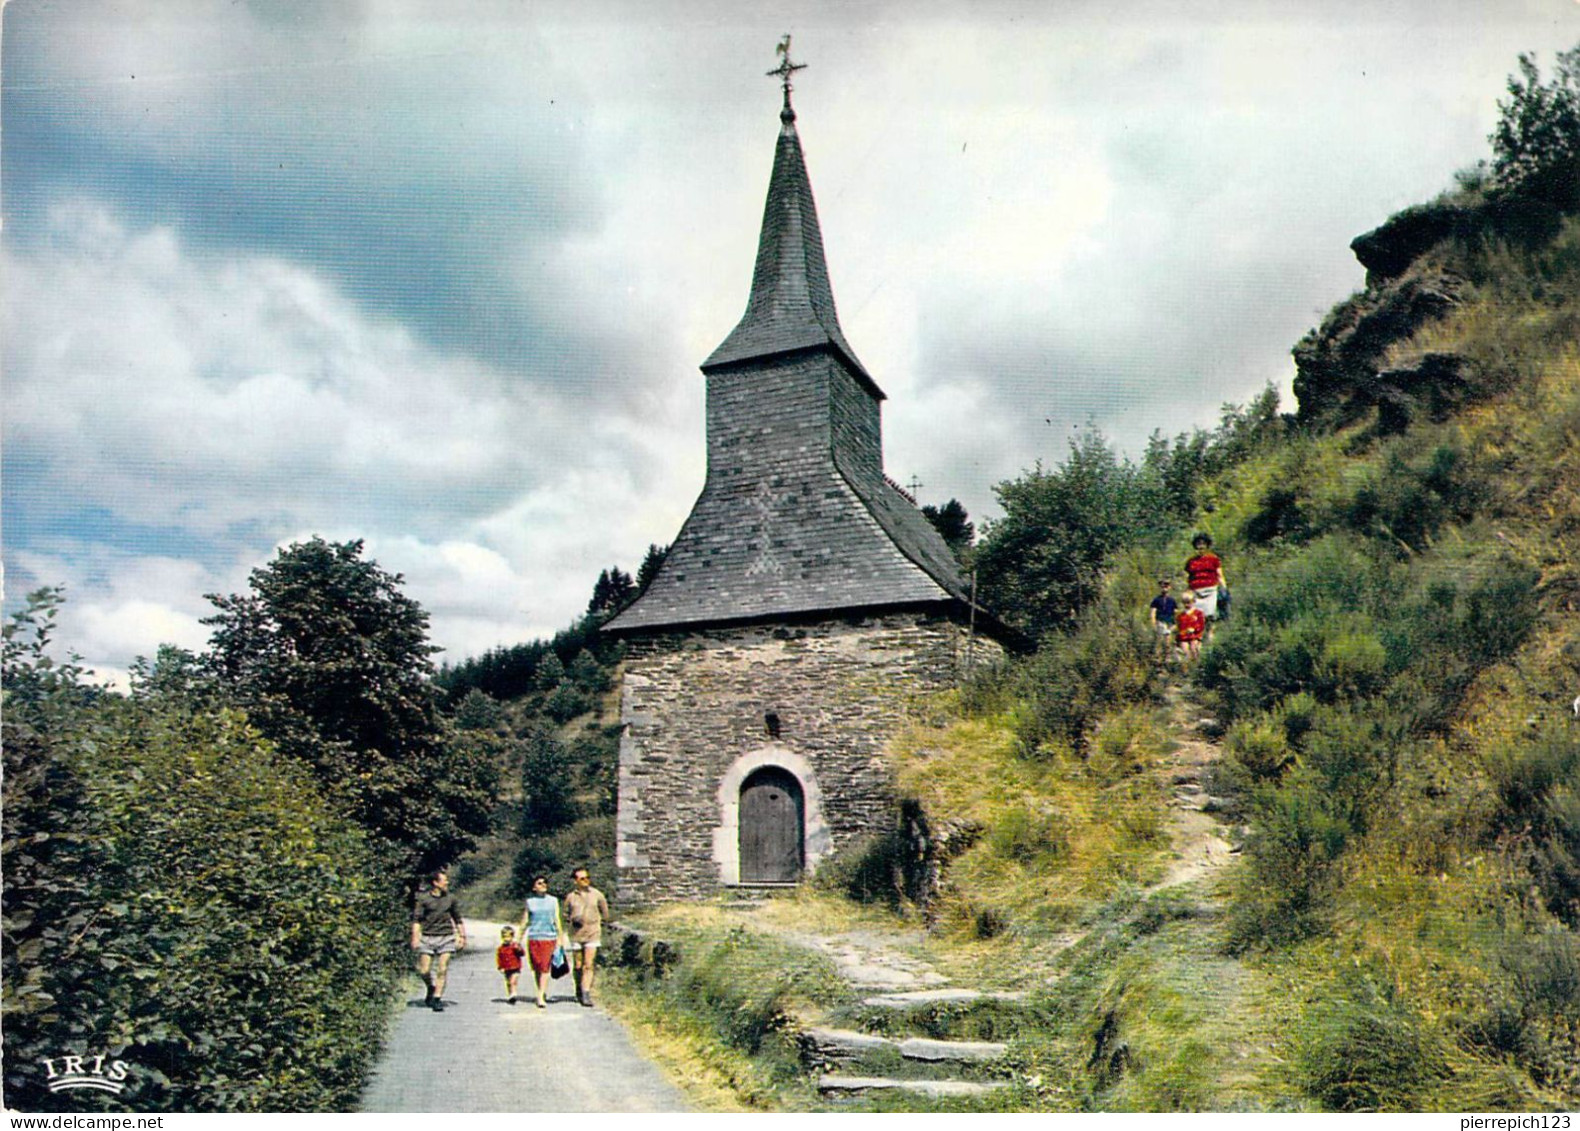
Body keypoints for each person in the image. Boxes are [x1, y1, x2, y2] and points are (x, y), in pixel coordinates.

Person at [410, 869, 466, 1012]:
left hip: (446, 937)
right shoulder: (423, 899)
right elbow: (417, 920)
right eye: (444, 880)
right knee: (424, 970)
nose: (447, 882)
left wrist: (462, 937)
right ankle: (431, 987)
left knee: (442, 968)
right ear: (435, 883)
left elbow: (458, 919)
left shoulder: (451, 899)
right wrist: (415, 938)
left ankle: (437, 998)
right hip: (428, 937)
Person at [515, 874, 566, 1009]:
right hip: (534, 938)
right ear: (534, 887)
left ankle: (540, 995)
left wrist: (560, 939)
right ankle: (541, 992)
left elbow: (557, 920)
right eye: (539, 883)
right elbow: (525, 921)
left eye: (544, 882)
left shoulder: (553, 901)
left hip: (549, 938)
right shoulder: (530, 902)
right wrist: (518, 939)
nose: (543, 885)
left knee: (545, 968)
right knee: (537, 967)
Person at [563, 867, 610, 1008]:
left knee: (588, 964)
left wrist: (600, 923)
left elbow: (605, 912)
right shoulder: (571, 897)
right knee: (578, 964)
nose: (586, 880)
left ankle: (586, 993)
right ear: (575, 881)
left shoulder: (597, 894)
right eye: (582, 878)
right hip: (576, 935)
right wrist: (573, 919)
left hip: (593, 933)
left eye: (587, 877)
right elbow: (565, 914)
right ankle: (578, 987)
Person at [1184, 533, 1227, 625]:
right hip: (1196, 592)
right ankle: (1198, 637)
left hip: (1210, 590)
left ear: (1207, 546)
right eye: (1198, 544)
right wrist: (1187, 591)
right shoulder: (1191, 562)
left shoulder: (1213, 559)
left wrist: (1224, 588)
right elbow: (1188, 577)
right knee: (1196, 617)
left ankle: (1210, 636)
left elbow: (1219, 575)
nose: (1201, 546)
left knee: (1210, 616)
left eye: (1203, 544)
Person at [1147, 578, 1177, 660]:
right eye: (1162, 585)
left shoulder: (1172, 600)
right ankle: (1158, 658)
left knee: (1168, 641)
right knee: (1159, 640)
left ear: (1170, 587)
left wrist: (1175, 624)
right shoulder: (1156, 600)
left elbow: (1175, 612)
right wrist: (1153, 623)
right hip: (1160, 621)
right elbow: (1153, 612)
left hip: (1169, 622)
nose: (1164, 587)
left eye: (1166, 585)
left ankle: (1168, 658)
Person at [1174, 589, 1206, 662]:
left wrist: (1195, 629)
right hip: (1184, 637)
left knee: (1194, 649)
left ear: (1193, 602)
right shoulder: (1181, 615)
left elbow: (1201, 625)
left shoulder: (1198, 613)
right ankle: (1187, 668)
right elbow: (1179, 627)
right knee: (1185, 652)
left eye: (1188, 602)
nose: (1186, 605)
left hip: (1195, 636)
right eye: (1184, 603)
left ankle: (1196, 666)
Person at [496, 926, 525, 1004]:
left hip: (515, 967)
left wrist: (518, 949)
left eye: (508, 937)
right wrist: (500, 967)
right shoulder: (501, 948)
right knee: (508, 982)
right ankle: (510, 994)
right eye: (504, 937)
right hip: (506, 968)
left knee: (513, 981)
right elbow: (499, 958)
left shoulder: (514, 946)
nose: (506, 939)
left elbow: (522, 953)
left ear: (512, 937)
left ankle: (514, 993)